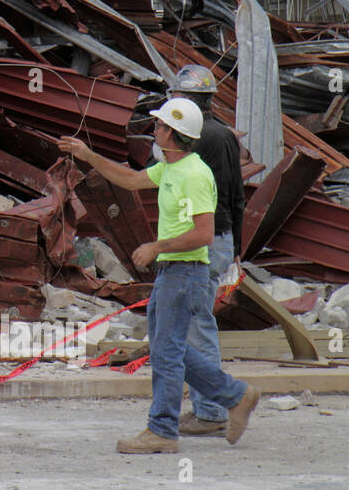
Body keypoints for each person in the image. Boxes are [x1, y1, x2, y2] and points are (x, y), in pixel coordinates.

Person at [58, 97, 259, 454]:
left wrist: (156, 247)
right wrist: (88, 156)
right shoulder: (170, 167)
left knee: (166, 352)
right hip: (176, 274)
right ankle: (235, 395)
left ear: (173, 133)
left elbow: (204, 234)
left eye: (160, 125)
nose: (154, 129)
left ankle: (163, 430)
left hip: (184, 272)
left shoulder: (195, 175)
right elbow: (131, 180)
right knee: (168, 348)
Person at [169, 64, 243, 436]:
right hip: (219, 238)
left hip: (204, 240)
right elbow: (237, 194)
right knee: (193, 323)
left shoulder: (193, 139)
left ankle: (213, 410)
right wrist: (238, 246)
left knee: (196, 325)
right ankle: (209, 404)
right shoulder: (225, 136)